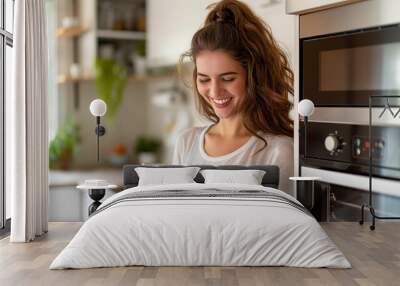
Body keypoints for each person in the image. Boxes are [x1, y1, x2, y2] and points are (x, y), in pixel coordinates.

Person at [172, 0, 294, 194]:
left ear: (254, 76)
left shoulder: (280, 150)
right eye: (204, 80)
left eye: (227, 79)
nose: (214, 92)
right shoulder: (186, 142)